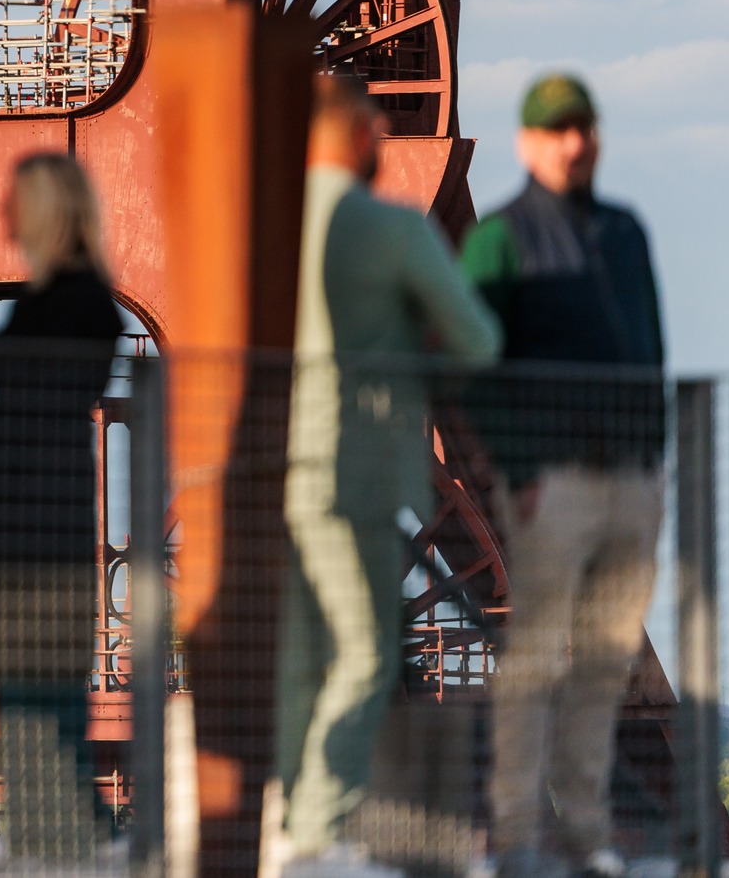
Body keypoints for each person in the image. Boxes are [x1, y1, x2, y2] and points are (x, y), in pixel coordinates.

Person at [273, 75, 501, 878]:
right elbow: (476, 337)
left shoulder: (267, 228)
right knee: (368, 654)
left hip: (270, 463)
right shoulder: (390, 229)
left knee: (300, 655)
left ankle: (288, 815)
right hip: (359, 467)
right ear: (365, 136)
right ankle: (314, 832)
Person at [462, 74, 666, 878]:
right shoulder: (500, 238)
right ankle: (515, 835)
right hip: (554, 482)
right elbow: (475, 365)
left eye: (583, 128)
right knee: (539, 657)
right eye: (556, 130)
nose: (573, 143)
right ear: (527, 143)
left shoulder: (626, 232)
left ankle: (585, 835)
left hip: (631, 481)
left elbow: (651, 344)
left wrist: (655, 455)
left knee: (607, 661)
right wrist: (519, 467)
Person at [0, 152, 127, 859]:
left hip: (35, 526)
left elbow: (43, 385)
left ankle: (74, 831)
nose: (3, 217)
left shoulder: (75, 301)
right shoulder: (61, 300)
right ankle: (60, 827)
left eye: (16, 202)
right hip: (26, 522)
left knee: (37, 687)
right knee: (27, 684)